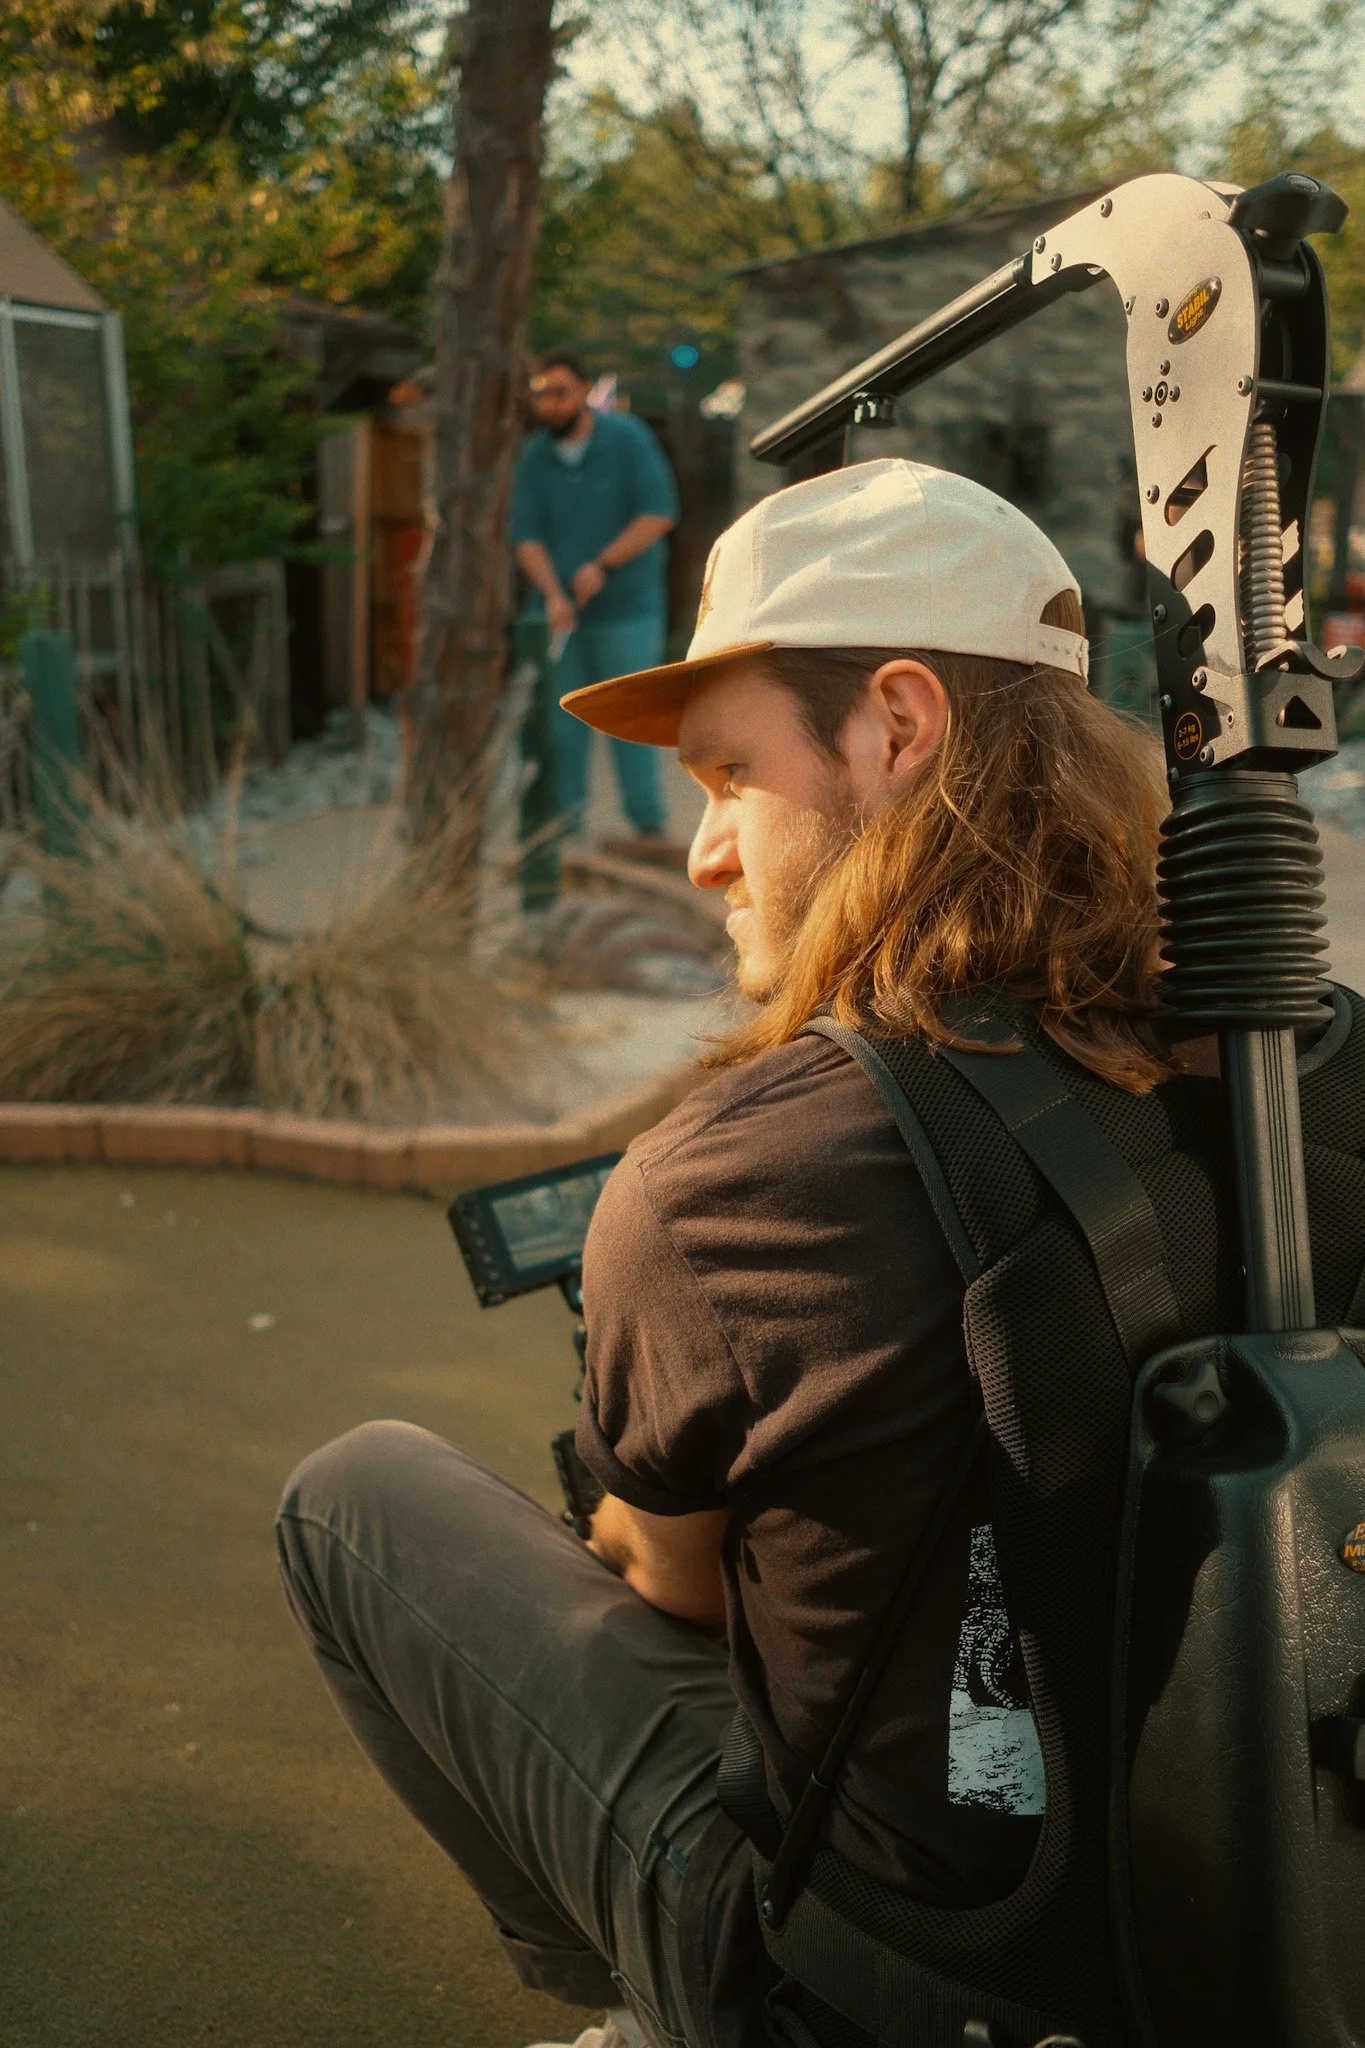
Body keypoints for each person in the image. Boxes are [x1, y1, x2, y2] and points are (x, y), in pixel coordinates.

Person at [275, 458, 1365, 2048]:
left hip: (900, 1988)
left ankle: (643, 2007)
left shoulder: (738, 1178)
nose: (705, 851)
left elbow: (670, 1583)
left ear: (898, 726)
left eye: (728, 776)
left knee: (351, 1494)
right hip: (1273, 1938)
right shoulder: (1314, 1069)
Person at [511, 349, 680, 848]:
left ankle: (648, 829)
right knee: (561, 728)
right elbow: (525, 537)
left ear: (584, 391)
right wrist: (552, 595)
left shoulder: (628, 440)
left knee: (632, 722)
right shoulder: (535, 456)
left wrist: (603, 564)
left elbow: (658, 514)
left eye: (560, 392)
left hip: (627, 609)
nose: (551, 404)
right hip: (563, 613)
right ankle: (566, 835)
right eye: (541, 394)